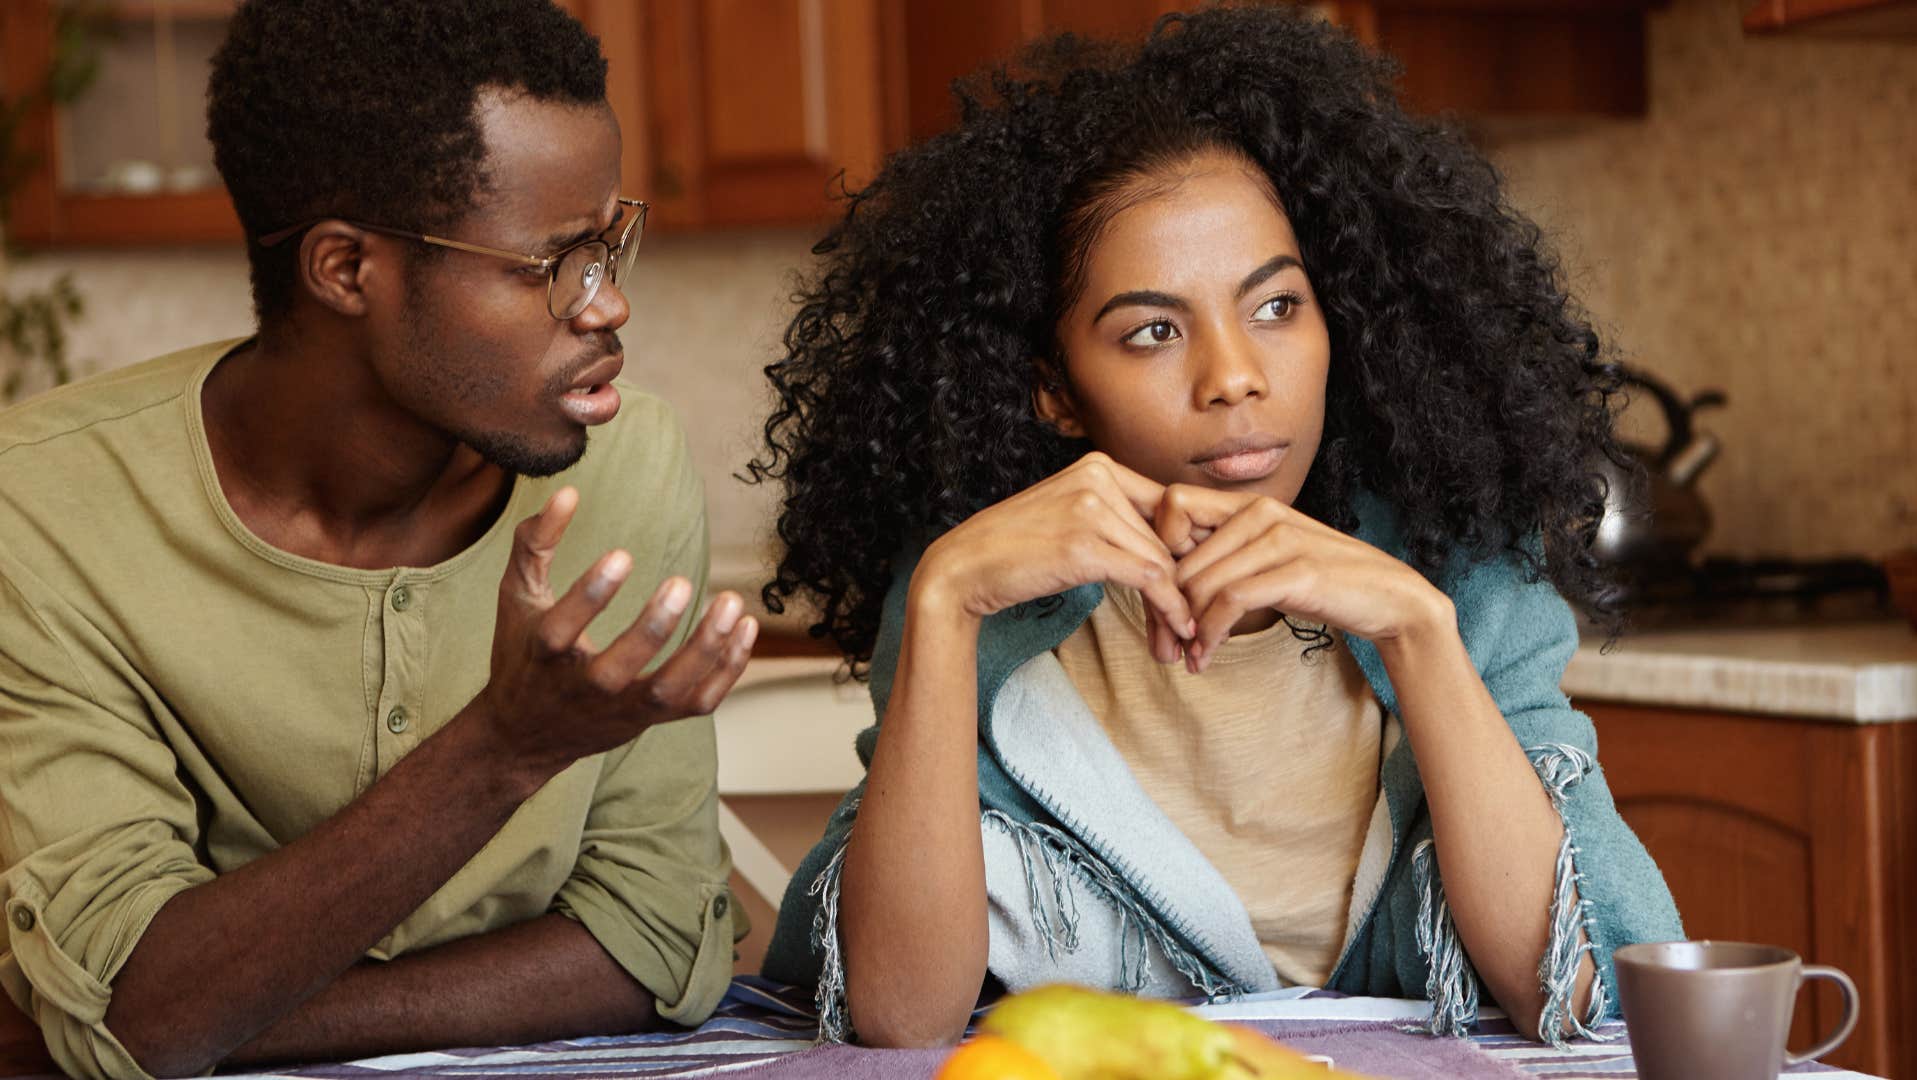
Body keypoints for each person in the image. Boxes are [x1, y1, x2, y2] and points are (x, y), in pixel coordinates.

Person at [754, 5, 1682, 1050]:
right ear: (1055, 389)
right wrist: (942, 602)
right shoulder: (985, 591)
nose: (1234, 376)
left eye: (1277, 307)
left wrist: (1418, 631)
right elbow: (900, 1016)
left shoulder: (1458, 559)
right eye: (1154, 330)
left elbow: (1583, 987)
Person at [0, 3, 760, 1077]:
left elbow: (656, 939)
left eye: (606, 243)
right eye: (552, 261)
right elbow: (136, 998)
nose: (607, 305)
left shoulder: (627, 467)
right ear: (347, 270)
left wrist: (197, 1015)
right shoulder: (41, 510)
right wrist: (504, 749)